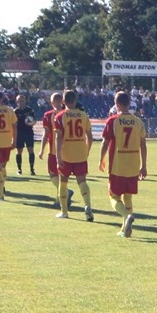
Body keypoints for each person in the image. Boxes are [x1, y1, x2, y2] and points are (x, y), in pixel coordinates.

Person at [99, 91, 148, 238]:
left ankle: (127, 216)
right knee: (128, 197)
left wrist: (101, 159)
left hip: (118, 165)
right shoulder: (138, 121)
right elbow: (143, 145)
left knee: (113, 196)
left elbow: (105, 142)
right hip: (133, 165)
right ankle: (125, 229)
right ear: (129, 104)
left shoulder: (113, 120)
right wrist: (144, 165)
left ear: (117, 103)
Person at [54, 90, 94, 220]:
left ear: (64, 102)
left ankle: (64, 212)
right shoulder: (83, 116)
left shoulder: (60, 116)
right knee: (82, 181)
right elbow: (90, 137)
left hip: (66, 155)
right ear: (75, 101)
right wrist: (86, 151)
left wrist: (58, 157)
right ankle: (87, 205)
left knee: (63, 182)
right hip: (80, 154)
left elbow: (59, 138)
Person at [38, 92, 64, 207]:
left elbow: (46, 134)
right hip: (68, 150)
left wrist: (42, 149)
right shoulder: (67, 114)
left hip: (54, 150)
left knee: (53, 175)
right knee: (63, 176)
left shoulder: (48, 115)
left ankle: (63, 194)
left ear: (51, 102)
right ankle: (59, 199)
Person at [14, 94, 36, 176]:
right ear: (17, 102)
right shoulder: (15, 111)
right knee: (19, 151)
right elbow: (13, 123)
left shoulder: (30, 110)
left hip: (28, 133)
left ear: (25, 101)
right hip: (19, 133)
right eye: (19, 101)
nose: (21, 102)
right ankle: (19, 169)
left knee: (30, 150)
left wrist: (31, 122)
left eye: (22, 101)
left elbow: (34, 121)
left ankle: (32, 169)